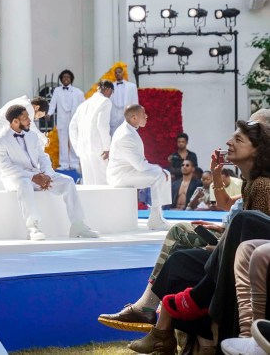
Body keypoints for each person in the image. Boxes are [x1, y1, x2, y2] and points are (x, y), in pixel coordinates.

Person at [97, 110, 270, 341]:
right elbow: (232, 210)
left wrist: (223, 244)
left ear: (260, 145)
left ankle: (154, 316)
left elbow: (256, 232)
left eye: (240, 137)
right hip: (231, 242)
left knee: (179, 246)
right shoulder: (251, 183)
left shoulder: (263, 185)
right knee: (180, 244)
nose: (229, 141)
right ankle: (158, 323)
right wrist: (216, 176)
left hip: (237, 252)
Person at [0, 105, 98, 241]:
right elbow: (6, 167)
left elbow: (43, 157)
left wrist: (46, 174)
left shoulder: (32, 135)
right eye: (25, 118)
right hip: (16, 178)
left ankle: (78, 225)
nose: (30, 120)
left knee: (68, 181)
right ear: (15, 121)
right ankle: (32, 228)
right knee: (24, 183)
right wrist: (33, 177)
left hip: (39, 175)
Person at [106, 104, 173, 230]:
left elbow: (139, 160)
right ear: (134, 118)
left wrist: (158, 169)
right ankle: (155, 220)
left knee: (164, 173)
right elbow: (140, 165)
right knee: (159, 175)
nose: (146, 116)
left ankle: (157, 216)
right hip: (120, 175)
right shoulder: (125, 135)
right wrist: (158, 169)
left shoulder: (129, 130)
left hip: (128, 171)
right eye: (143, 114)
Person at [69, 81, 113, 186]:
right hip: (99, 149)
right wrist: (107, 148)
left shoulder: (83, 104)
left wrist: (77, 148)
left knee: (88, 184)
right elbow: (102, 125)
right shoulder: (105, 102)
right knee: (103, 183)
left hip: (83, 150)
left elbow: (72, 127)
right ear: (108, 90)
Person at [47, 69, 85, 171]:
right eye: (64, 77)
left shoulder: (78, 92)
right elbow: (53, 103)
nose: (66, 79)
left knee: (73, 141)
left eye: (68, 77)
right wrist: (49, 113)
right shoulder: (57, 90)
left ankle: (74, 163)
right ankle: (63, 164)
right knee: (62, 143)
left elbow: (83, 105)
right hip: (62, 120)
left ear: (71, 79)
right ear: (61, 79)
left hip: (74, 120)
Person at [109, 65, 138, 134]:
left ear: (123, 73)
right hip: (114, 117)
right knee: (114, 136)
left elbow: (135, 103)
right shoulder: (110, 87)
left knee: (127, 135)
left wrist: (135, 117)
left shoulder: (131, 86)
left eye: (119, 72)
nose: (117, 74)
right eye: (116, 73)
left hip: (127, 115)